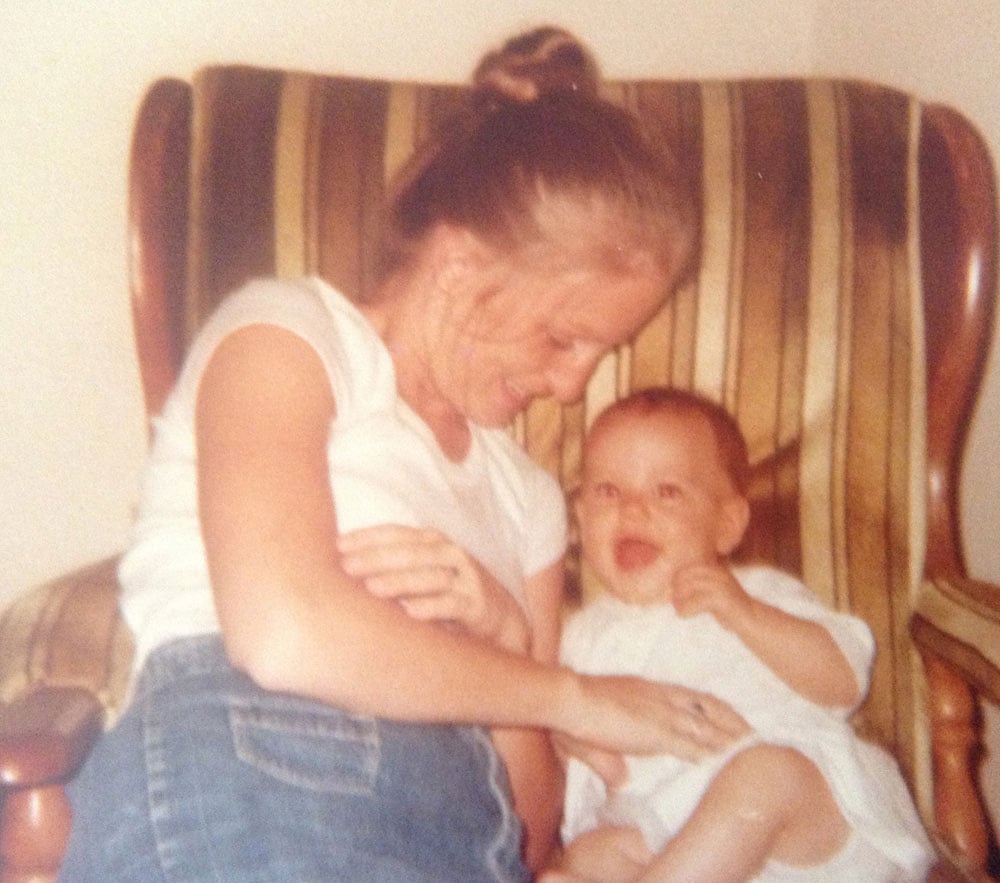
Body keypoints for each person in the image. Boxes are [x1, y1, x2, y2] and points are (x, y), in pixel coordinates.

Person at [58, 27, 749, 883]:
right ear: (460, 264)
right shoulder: (289, 337)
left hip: (467, 837)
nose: (574, 389)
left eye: (599, 354)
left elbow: (531, 834)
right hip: (260, 775)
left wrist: (505, 636)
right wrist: (571, 694)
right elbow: (286, 633)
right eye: (565, 337)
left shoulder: (526, 497)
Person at [544, 387, 933, 882]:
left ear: (728, 525)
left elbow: (844, 680)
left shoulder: (757, 594)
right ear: (579, 518)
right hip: (670, 840)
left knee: (764, 774)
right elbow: (577, 763)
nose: (632, 510)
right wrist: (581, 751)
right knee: (588, 856)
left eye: (667, 491)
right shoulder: (582, 639)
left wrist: (744, 613)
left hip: (804, 837)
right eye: (606, 492)